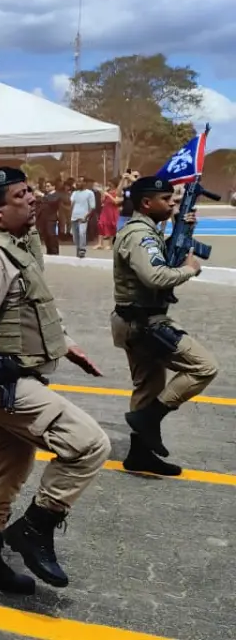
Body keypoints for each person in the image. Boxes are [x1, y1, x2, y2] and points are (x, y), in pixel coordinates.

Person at [0, 166, 111, 594]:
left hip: (8, 377)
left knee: (5, 473)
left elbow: (26, 312)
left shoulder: (9, 245)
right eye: (22, 194)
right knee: (90, 445)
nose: (34, 197)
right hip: (3, 383)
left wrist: (66, 345)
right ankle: (35, 528)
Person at [111, 175, 218, 477]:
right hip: (145, 324)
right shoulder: (139, 235)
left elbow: (160, 258)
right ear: (146, 203)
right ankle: (150, 419)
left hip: (136, 320)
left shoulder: (148, 232)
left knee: (148, 386)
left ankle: (139, 454)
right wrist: (189, 269)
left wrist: (184, 230)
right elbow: (156, 276)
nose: (172, 203)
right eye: (166, 199)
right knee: (204, 366)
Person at [69, 182, 96, 258]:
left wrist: (86, 216)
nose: (78, 184)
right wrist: (70, 215)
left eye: (80, 182)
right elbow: (72, 204)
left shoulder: (89, 193)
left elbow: (92, 207)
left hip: (83, 216)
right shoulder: (74, 193)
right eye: (77, 182)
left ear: (84, 183)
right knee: (75, 236)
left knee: (82, 233)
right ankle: (78, 248)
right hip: (74, 216)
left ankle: (82, 249)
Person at [96, 182, 120, 249]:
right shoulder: (107, 191)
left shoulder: (117, 191)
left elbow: (116, 202)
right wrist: (102, 194)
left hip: (112, 210)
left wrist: (109, 195)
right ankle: (100, 243)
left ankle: (110, 244)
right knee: (101, 224)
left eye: (110, 184)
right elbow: (102, 201)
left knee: (112, 226)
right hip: (105, 210)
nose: (109, 185)